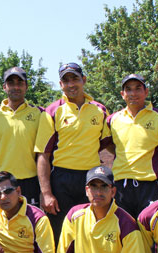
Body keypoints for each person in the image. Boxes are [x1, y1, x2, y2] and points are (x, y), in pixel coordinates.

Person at [35, 63, 109, 243]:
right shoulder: (52, 111)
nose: (71, 84)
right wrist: (46, 193)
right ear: (61, 85)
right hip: (61, 179)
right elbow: (43, 154)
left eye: (75, 78)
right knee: (60, 234)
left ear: (83, 80)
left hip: (91, 179)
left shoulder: (100, 110)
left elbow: (109, 146)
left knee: (90, 230)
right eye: (66, 80)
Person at [104, 74, 158, 220]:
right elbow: (109, 145)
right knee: (123, 234)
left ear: (146, 92)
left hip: (149, 185)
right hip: (120, 185)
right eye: (128, 89)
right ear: (122, 94)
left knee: (149, 233)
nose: (133, 93)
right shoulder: (112, 120)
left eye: (138, 89)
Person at [0, 67, 46, 206]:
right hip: (0, 181)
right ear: (4, 87)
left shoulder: (40, 114)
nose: (16, 87)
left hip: (30, 181)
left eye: (20, 83)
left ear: (26, 86)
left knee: (29, 225)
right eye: (11, 83)